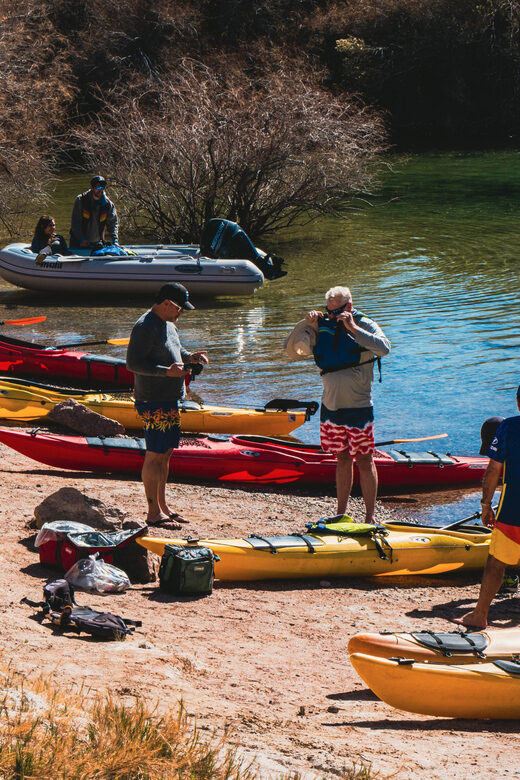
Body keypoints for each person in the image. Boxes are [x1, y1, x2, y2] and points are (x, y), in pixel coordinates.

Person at [287, 286, 390, 523]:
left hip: (359, 408)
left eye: (338, 311)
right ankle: (341, 513)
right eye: (329, 311)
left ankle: (370, 516)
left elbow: (385, 348)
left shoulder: (365, 324)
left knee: (365, 459)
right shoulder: (323, 323)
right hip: (331, 408)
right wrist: (307, 323)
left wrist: (352, 327)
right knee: (342, 458)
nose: (332, 316)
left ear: (350, 307)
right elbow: (293, 350)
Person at [126, 282, 209, 528]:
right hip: (153, 400)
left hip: (170, 398)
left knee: (165, 454)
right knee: (154, 456)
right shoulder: (144, 326)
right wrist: (166, 373)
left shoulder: (169, 324)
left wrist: (189, 357)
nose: (181, 313)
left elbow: (175, 350)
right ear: (166, 304)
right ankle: (153, 514)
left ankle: (163, 506)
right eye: (179, 309)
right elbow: (133, 363)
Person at [454, 387, 520, 629]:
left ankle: (480, 615)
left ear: (517, 402)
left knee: (496, 562)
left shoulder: (509, 427)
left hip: (514, 508)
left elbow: (493, 470)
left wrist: (485, 505)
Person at [69, 175, 119, 249]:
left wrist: (115, 240)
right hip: (78, 242)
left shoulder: (108, 204)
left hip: (97, 242)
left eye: (103, 187)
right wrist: (81, 239)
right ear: (91, 188)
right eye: (98, 187)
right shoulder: (80, 200)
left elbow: (113, 223)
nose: (101, 190)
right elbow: (75, 223)